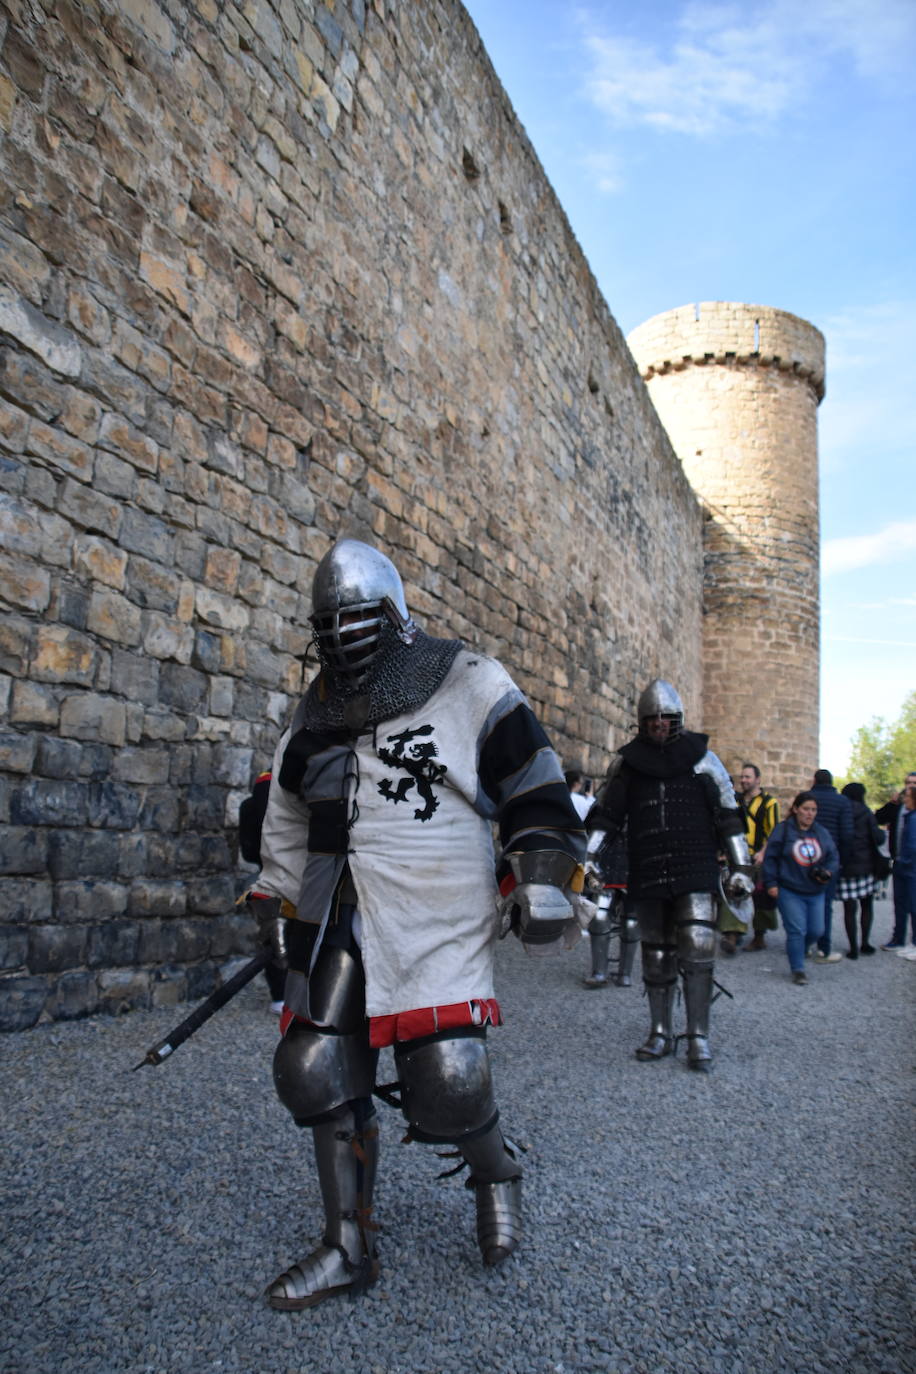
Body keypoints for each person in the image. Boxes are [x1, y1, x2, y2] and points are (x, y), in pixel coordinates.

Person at [243, 538, 586, 1310]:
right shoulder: (315, 709)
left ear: (392, 616)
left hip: (436, 909)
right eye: (328, 624)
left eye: (355, 620)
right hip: (338, 906)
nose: (341, 638)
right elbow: (288, 817)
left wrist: (541, 875)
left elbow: (534, 784)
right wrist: (275, 896)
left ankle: (496, 1169)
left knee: (450, 1081)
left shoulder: (467, 680)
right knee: (311, 1069)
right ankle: (347, 1246)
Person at [586, 680, 753, 1072]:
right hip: (649, 866)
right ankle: (660, 1031)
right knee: (656, 954)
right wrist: (590, 855)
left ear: (677, 719)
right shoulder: (628, 764)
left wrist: (741, 865)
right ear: (642, 722)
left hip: (694, 865)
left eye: (666, 717)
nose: (660, 724)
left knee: (697, 947)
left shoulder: (704, 760)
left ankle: (698, 1036)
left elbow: (727, 814)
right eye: (653, 718)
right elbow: (608, 814)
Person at [761, 792, 840, 985]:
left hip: (815, 890)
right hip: (789, 889)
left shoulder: (821, 832)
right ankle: (798, 969)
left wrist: (828, 871)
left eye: (813, 810)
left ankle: (798, 948)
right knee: (796, 930)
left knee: (816, 930)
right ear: (796, 809)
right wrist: (770, 883)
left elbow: (833, 856)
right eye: (806, 809)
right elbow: (770, 858)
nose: (810, 814)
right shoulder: (783, 830)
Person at [238, 768, 287, 1012]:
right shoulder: (289, 797)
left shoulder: (250, 805)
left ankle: (279, 995)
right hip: (294, 872)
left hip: (263, 874)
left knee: (272, 935)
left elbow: (247, 852)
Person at [581, 826, 639, 989]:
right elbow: (586, 853)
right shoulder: (604, 814)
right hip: (606, 870)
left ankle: (625, 974)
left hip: (637, 869)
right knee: (599, 917)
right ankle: (600, 972)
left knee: (632, 922)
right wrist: (591, 880)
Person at [808, 769, 854, 962]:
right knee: (825, 905)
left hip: (806, 857)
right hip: (829, 859)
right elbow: (846, 835)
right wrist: (841, 861)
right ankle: (823, 949)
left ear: (815, 781)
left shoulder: (807, 798)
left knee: (804, 902)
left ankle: (801, 945)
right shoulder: (842, 802)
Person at [838, 782, 886, 958]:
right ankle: (865, 942)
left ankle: (853, 948)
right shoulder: (866, 812)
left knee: (849, 910)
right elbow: (878, 838)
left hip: (847, 865)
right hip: (866, 865)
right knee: (867, 906)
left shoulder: (842, 811)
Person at [737, 763, 780, 952]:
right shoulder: (736, 801)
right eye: (743, 777)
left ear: (757, 780)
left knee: (761, 898)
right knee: (734, 894)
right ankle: (732, 934)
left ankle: (759, 936)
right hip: (738, 856)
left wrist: (763, 853)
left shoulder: (770, 803)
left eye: (748, 777)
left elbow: (774, 832)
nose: (744, 780)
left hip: (759, 856)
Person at [875, 772, 916, 950]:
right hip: (898, 860)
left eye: (913, 783)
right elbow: (878, 818)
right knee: (899, 903)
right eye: (907, 782)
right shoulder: (899, 805)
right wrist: (891, 803)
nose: (909, 786)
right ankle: (898, 939)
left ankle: (914, 943)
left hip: (912, 864)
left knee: (914, 905)